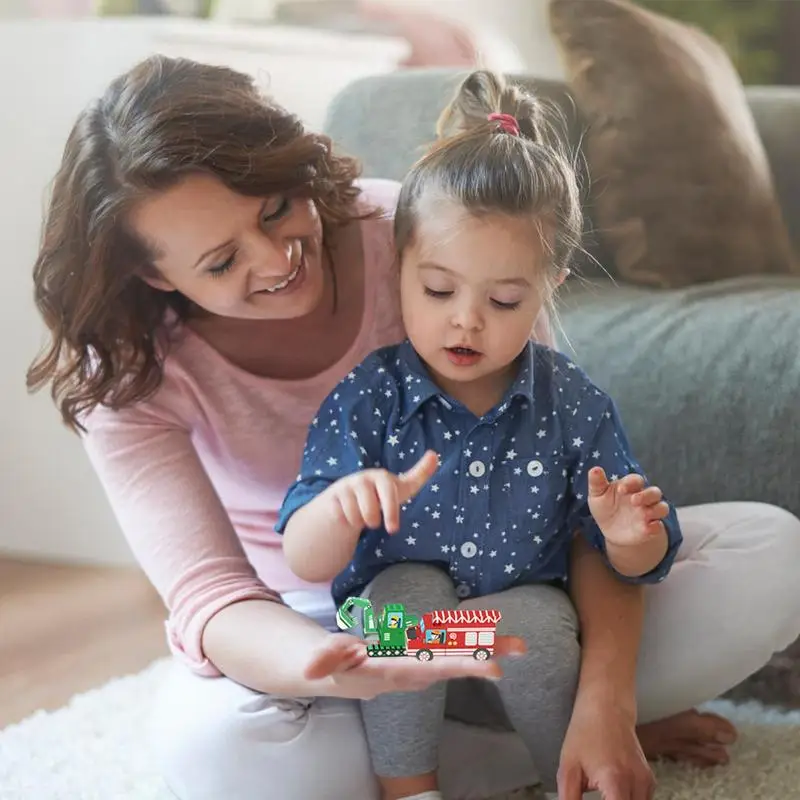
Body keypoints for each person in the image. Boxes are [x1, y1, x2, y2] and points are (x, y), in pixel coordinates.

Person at [24, 53, 800, 800]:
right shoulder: (123, 375)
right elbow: (213, 599)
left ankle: (533, 726)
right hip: (329, 621)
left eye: (274, 207)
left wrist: (608, 702)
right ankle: (495, 744)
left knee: (772, 552)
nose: (277, 257)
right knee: (229, 757)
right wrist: (344, 659)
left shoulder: (425, 232)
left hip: (523, 600)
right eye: (223, 262)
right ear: (156, 275)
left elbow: (570, 503)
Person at [275, 69, 685, 800]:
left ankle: (568, 772)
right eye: (438, 291)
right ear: (397, 266)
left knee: (542, 621)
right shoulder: (372, 395)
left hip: (515, 646)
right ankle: (412, 788)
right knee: (404, 591)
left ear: (550, 284)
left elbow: (643, 561)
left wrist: (627, 536)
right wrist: (342, 505)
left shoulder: (571, 401)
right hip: (395, 650)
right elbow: (305, 558)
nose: (466, 320)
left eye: (503, 300)